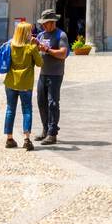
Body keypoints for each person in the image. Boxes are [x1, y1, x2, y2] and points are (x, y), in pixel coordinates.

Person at [2, 21, 43, 151]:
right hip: (25, 84)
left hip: (10, 82)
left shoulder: (9, 46)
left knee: (10, 109)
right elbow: (40, 63)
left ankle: (9, 138)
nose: (32, 33)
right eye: (30, 31)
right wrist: (35, 47)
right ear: (26, 33)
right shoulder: (30, 48)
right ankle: (26, 139)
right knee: (26, 110)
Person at [35, 9, 69, 145]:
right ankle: (45, 129)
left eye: (45, 23)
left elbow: (63, 53)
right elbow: (36, 48)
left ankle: (52, 133)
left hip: (55, 74)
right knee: (41, 102)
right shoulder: (41, 35)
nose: (43, 26)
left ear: (52, 22)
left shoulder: (61, 35)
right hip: (43, 73)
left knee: (53, 103)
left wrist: (47, 50)